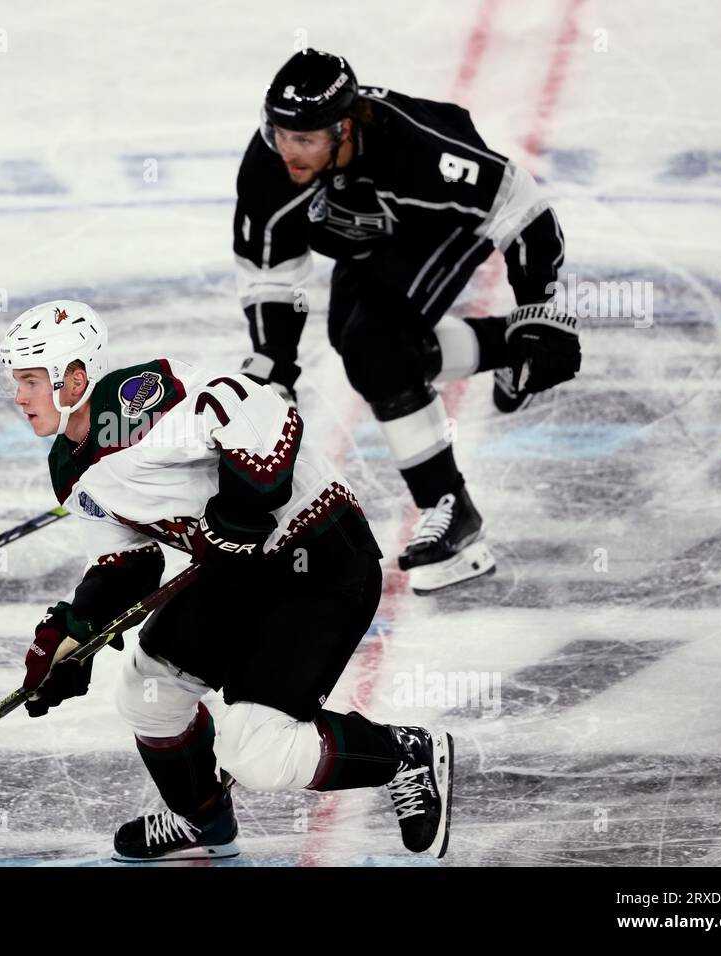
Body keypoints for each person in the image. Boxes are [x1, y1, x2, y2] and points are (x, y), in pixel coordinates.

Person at [0, 297, 453, 862]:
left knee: (256, 751)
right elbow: (128, 562)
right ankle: (202, 818)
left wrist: (239, 514)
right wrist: (75, 634)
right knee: (147, 692)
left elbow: (264, 413)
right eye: (15, 381)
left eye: (32, 381)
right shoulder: (68, 467)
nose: (18, 396)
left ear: (76, 378)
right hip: (236, 569)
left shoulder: (140, 404)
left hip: (319, 556)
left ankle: (402, 753)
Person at [233, 49, 581, 593]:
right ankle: (508, 347)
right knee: (366, 351)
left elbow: (522, 208)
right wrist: (275, 364)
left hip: (435, 226)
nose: (288, 152)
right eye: (279, 133)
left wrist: (542, 309)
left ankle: (453, 514)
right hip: (372, 237)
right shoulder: (269, 168)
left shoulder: (417, 152)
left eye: (304, 139)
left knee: (374, 347)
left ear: (344, 128)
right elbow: (271, 274)